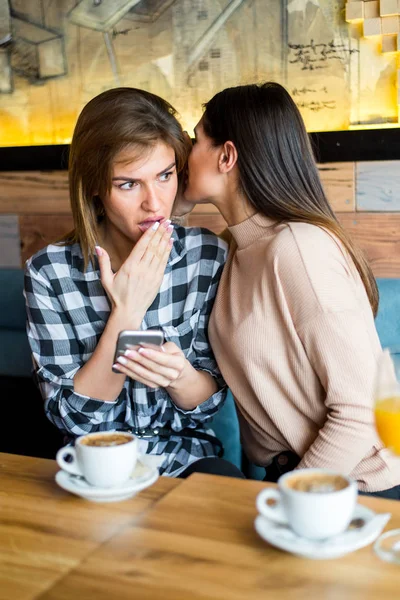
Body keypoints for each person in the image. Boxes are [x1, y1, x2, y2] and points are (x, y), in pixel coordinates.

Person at [182, 81, 400, 498]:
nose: (184, 153)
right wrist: (171, 200)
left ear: (226, 156)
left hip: (355, 487)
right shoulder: (236, 251)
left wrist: (290, 499)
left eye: (196, 139)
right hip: (295, 478)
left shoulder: (299, 249)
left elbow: (359, 411)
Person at [24, 87, 244, 479]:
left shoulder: (207, 258)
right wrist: (126, 312)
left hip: (188, 460)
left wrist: (180, 376)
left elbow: (210, 405)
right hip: (95, 466)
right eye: (128, 184)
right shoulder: (49, 273)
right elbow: (75, 421)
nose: (155, 204)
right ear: (94, 185)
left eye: (164, 176)